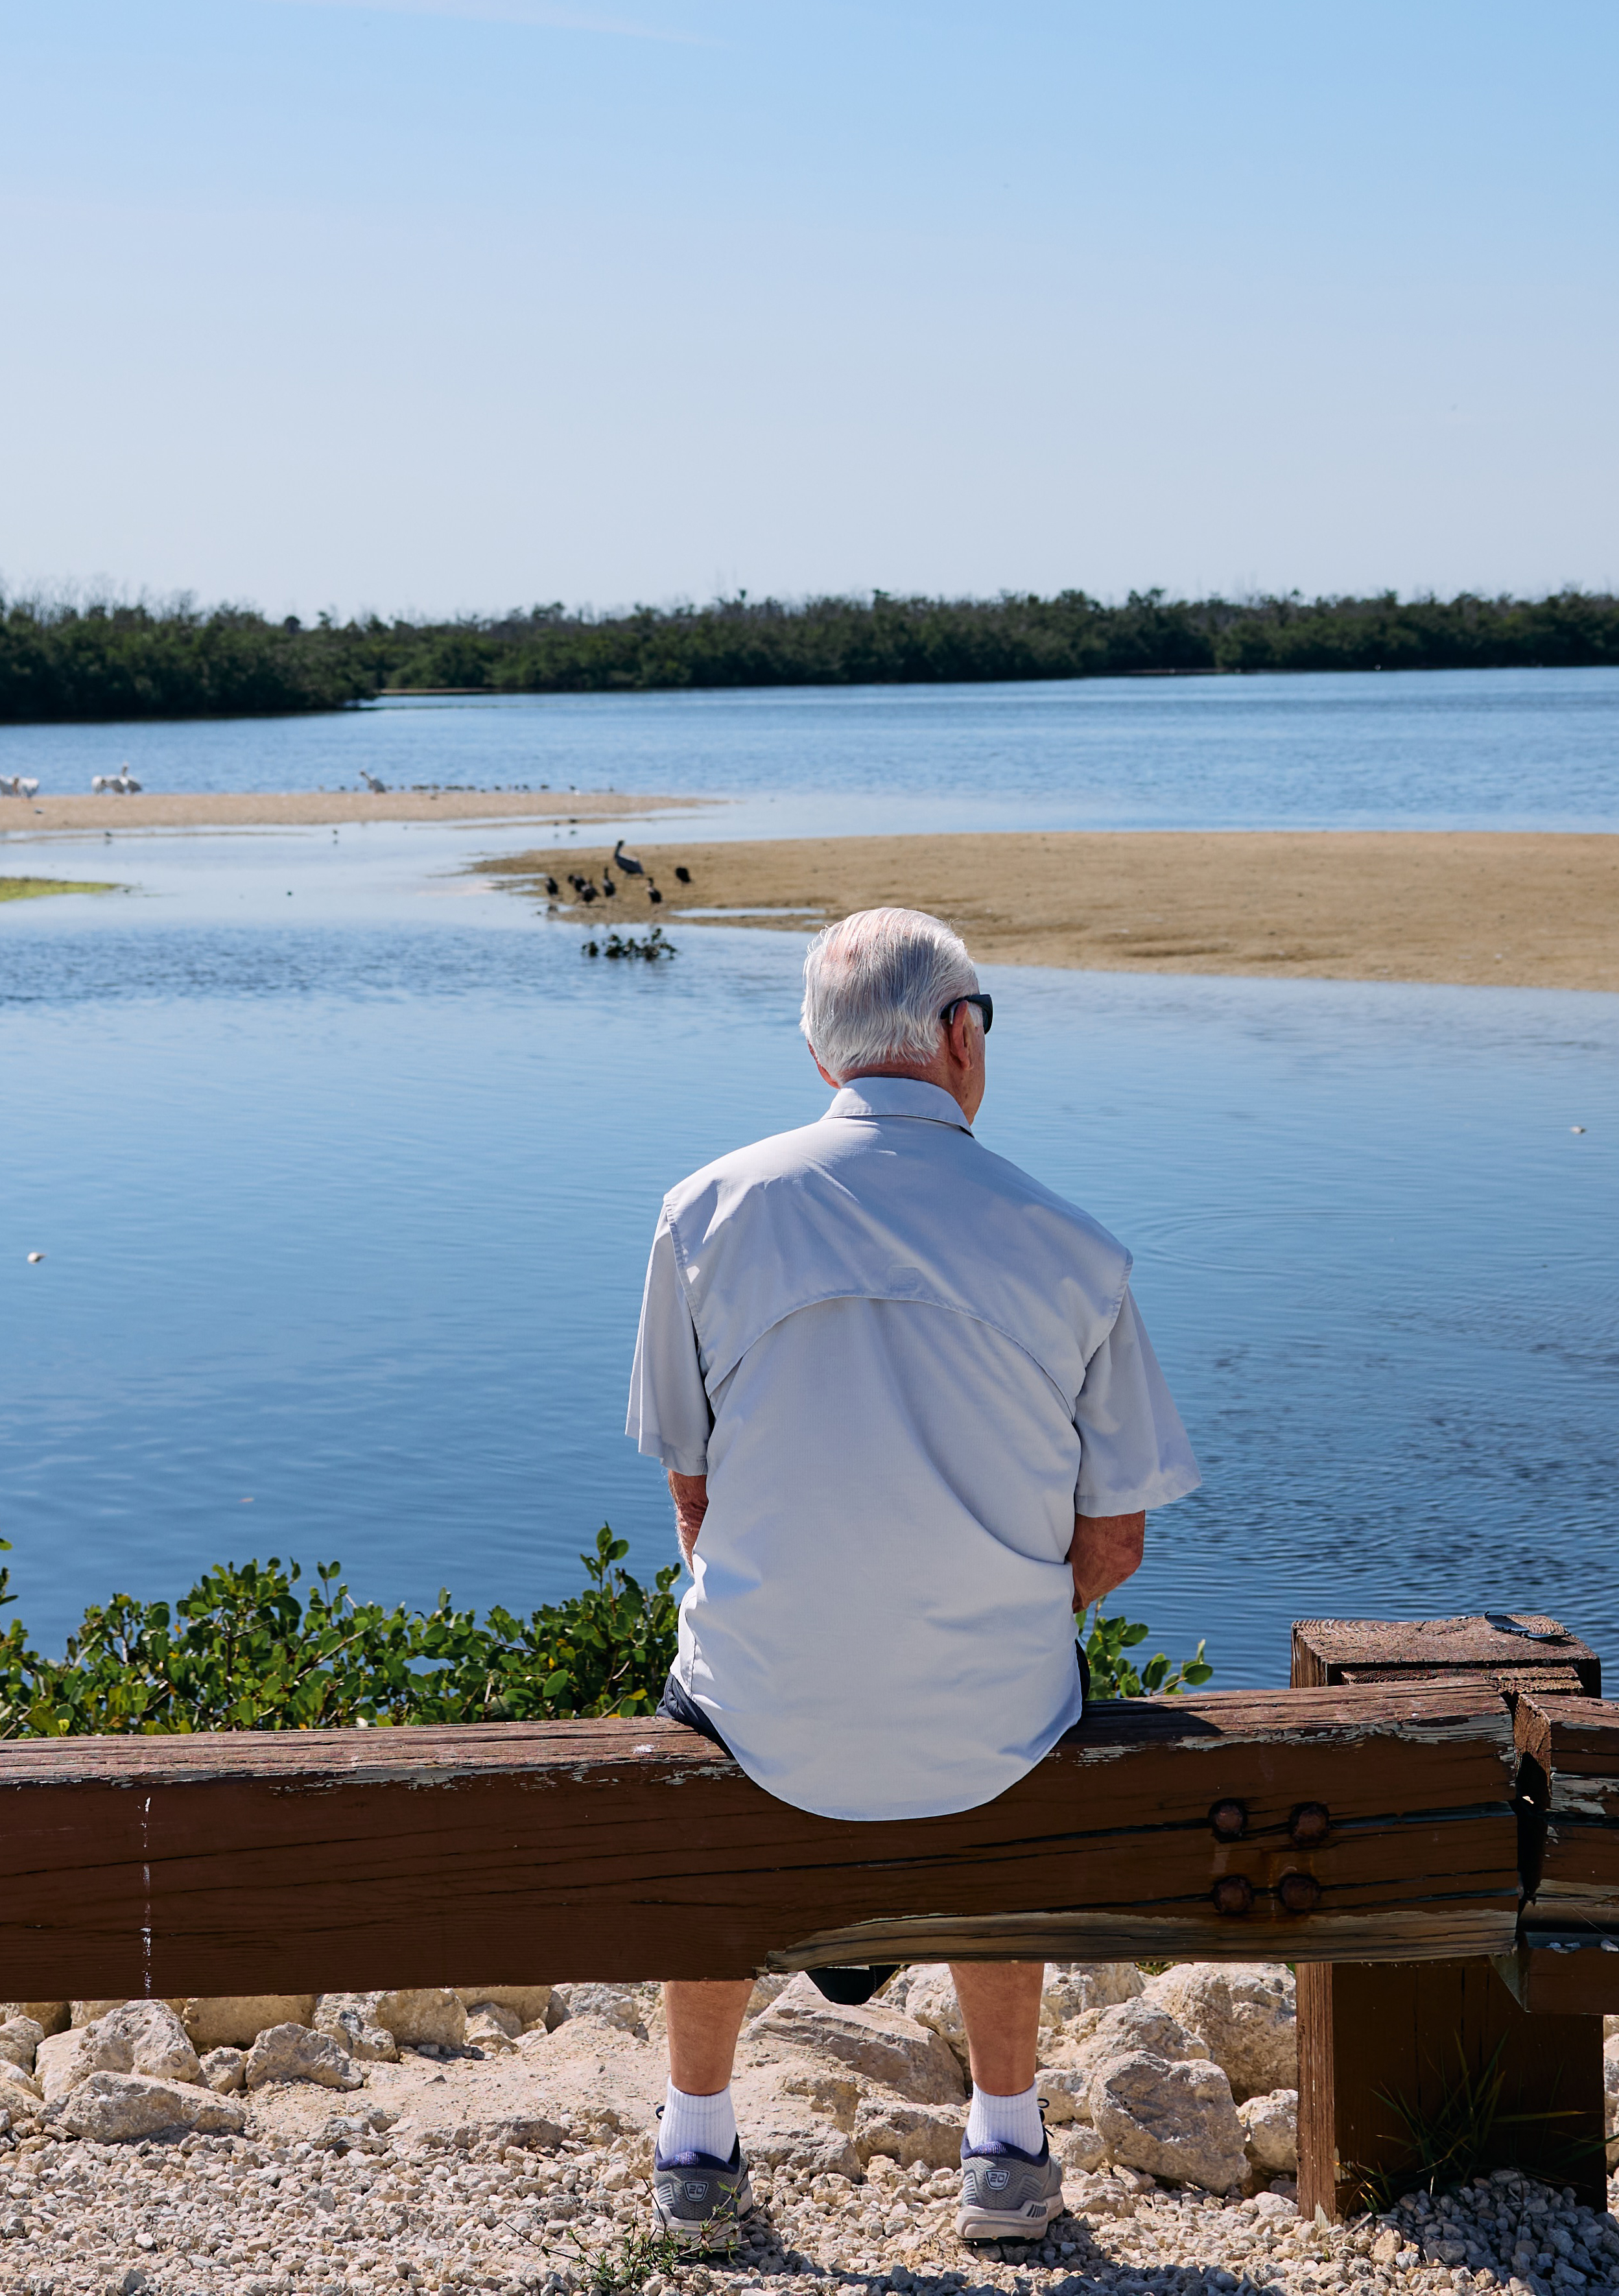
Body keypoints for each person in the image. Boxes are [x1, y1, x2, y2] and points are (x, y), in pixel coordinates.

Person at [624, 906, 1201, 2249]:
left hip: (763, 1712)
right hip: (990, 1724)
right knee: (1011, 1726)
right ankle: (1003, 2145)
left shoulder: (701, 1212)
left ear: (824, 1055)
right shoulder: (1076, 1244)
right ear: (958, 1037)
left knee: (702, 1724)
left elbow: (692, 1495)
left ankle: (696, 2149)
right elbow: (1112, 1544)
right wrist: (975, 1606)